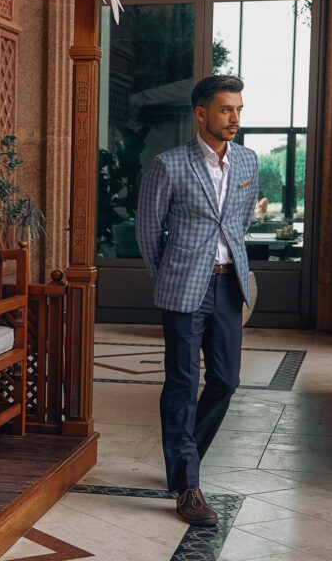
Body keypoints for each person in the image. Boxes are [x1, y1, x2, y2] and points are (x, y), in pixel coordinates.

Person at [136, 75, 259, 527]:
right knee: (183, 384)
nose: (234, 118)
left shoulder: (247, 161)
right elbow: (148, 232)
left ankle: (182, 461)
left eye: (238, 109)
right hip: (184, 289)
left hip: (228, 287)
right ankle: (188, 484)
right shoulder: (169, 165)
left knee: (226, 381)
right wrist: (169, 278)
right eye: (226, 109)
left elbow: (239, 224)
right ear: (201, 113)